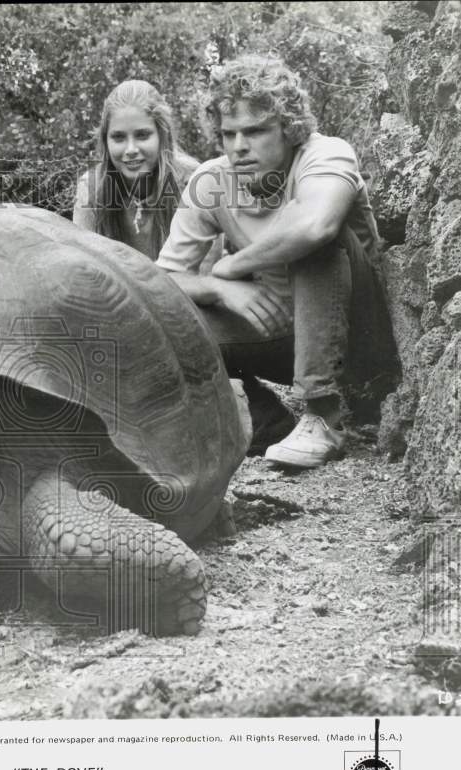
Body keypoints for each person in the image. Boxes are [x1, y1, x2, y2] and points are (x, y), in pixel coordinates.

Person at [156, 55, 385, 468]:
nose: (239, 146)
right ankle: (261, 418)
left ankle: (323, 416)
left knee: (316, 243)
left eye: (256, 130)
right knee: (173, 325)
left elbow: (316, 226)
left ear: (289, 127)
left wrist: (232, 265)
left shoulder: (325, 153)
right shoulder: (211, 180)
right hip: (284, 333)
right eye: (229, 134)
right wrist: (215, 286)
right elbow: (157, 281)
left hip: (361, 334)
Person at [73, 79, 205, 262]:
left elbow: (204, 271)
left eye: (142, 135)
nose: (131, 149)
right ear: (106, 141)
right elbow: (84, 266)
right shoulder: (91, 187)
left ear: (162, 135)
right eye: (118, 137)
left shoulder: (195, 182)